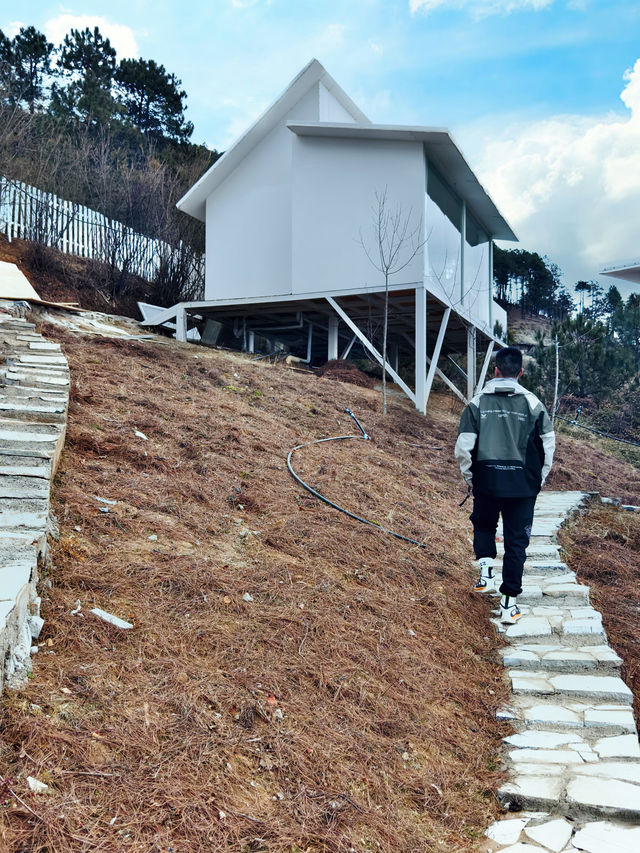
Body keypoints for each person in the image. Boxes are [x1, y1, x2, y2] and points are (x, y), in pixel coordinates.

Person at [454, 346, 555, 624]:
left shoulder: (476, 404)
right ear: (520, 373)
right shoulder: (534, 404)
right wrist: (538, 480)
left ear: (495, 371)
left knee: (484, 525)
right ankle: (509, 606)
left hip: (487, 479)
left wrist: (471, 477)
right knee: (516, 543)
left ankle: (485, 574)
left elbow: (463, 447)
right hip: (523, 486)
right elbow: (547, 446)